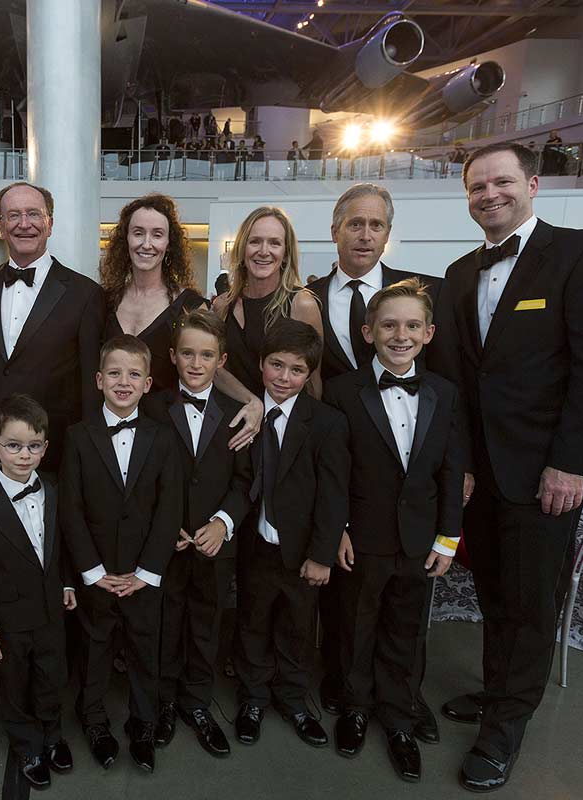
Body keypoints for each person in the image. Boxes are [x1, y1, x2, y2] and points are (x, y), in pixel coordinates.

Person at [430, 142, 583, 792]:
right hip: (482, 474)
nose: (489, 195)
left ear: (533, 184)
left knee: (529, 601)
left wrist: (569, 464)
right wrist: (458, 465)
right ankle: (497, 691)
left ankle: (507, 725)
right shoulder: (460, 273)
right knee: (492, 590)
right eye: (477, 187)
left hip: (547, 472)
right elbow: (457, 379)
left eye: (501, 182)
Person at [306, 183, 442, 733]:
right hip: (340, 471)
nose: (365, 234)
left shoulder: (417, 296)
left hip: (407, 473)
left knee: (401, 607)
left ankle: (401, 696)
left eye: (376, 225)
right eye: (354, 224)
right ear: (335, 229)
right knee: (347, 600)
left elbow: (442, 384)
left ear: (388, 233)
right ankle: (345, 687)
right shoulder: (305, 295)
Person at [322, 279, 464, 783]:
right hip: (362, 535)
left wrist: (448, 537)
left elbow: (451, 469)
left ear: (428, 333)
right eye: (388, 325)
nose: (399, 335)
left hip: (421, 539)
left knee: (407, 629)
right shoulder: (342, 392)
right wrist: (337, 528)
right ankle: (355, 707)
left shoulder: (445, 393)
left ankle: (399, 717)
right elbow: (335, 471)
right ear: (368, 332)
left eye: (410, 326)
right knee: (357, 624)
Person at [60, 334, 183, 773]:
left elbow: (170, 509)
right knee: (95, 646)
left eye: (134, 374)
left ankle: (143, 722)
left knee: (144, 647)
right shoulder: (77, 437)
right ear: (98, 380)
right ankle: (93, 719)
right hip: (99, 571)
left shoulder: (163, 438)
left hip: (143, 573)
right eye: (114, 373)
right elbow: (70, 509)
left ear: (149, 383)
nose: (124, 382)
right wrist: (92, 572)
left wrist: (148, 572)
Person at [232, 318, 348, 750]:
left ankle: (294, 700)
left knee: (299, 629)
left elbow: (333, 496)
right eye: (276, 365)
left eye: (296, 370)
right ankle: (253, 698)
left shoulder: (327, 424)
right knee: (252, 623)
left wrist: (321, 554)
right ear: (261, 364)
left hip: (301, 552)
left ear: (309, 374)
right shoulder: (243, 415)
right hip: (254, 546)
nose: (283, 377)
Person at [141, 309, 252, 758]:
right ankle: (165, 702)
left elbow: (246, 482)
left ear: (220, 360)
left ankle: (197, 703)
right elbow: (140, 478)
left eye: (206, 355)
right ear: (173, 356)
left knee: (207, 624)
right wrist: (162, 530)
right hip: (165, 546)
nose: (195, 362)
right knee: (167, 623)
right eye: (187, 353)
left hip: (213, 544)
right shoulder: (151, 407)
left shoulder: (236, 414)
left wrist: (222, 523)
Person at [0, 394, 77, 789]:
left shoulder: (55, 489)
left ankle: (53, 733)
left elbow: (59, 546)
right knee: (14, 683)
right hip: (7, 619)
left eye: (33, 446)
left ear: (45, 447)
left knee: (51, 676)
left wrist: (64, 582)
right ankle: (27, 745)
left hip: (49, 612)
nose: (24, 455)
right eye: (14, 445)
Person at [0, 182, 104, 476]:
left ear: (50, 224)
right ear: (0, 225)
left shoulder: (85, 295)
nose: (24, 224)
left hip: (54, 453)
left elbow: (89, 386)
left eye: (34, 214)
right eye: (13, 215)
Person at [212, 206, 323, 446]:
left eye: (274, 243)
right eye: (255, 242)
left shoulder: (301, 303)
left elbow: (313, 381)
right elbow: (216, 370)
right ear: (242, 249)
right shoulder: (222, 306)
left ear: (285, 253)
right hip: (234, 427)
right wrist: (253, 402)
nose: (264, 251)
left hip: (283, 433)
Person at [100, 193, 206, 394]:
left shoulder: (191, 306)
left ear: (168, 244)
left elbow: (213, 370)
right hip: (109, 421)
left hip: (168, 423)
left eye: (157, 235)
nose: (147, 244)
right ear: (126, 239)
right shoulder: (104, 301)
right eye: (138, 233)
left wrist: (250, 400)